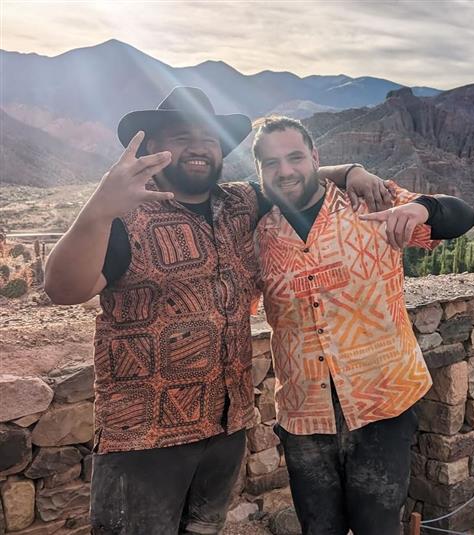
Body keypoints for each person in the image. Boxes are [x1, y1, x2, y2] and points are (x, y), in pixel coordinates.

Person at [43, 87, 390, 535]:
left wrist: (351, 170)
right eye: (181, 136)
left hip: (225, 427)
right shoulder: (124, 219)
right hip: (147, 436)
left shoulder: (240, 203)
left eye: (207, 137)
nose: (197, 147)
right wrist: (97, 211)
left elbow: (291, 174)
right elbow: (62, 289)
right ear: (151, 149)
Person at [251, 115, 474, 534]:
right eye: (271, 163)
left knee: (379, 527)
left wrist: (421, 206)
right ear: (260, 171)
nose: (284, 170)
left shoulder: (373, 204)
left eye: (295, 157)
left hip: (383, 405)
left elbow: (462, 217)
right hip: (304, 417)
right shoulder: (258, 236)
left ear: (315, 158)